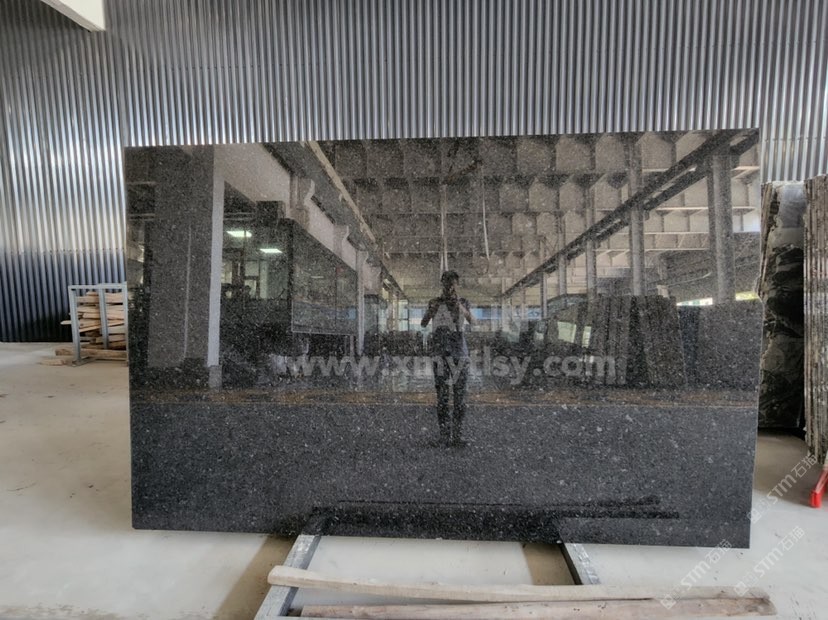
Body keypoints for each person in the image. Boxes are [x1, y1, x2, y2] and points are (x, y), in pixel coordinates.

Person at [421, 270, 473, 447]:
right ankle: (444, 436)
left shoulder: (463, 302)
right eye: (447, 284)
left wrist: (458, 305)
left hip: (459, 354)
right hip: (441, 355)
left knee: (460, 398)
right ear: (442, 284)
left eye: (453, 284)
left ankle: (457, 436)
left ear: (457, 285)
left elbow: (472, 320)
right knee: (442, 398)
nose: (450, 287)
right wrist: (432, 310)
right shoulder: (434, 302)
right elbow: (423, 323)